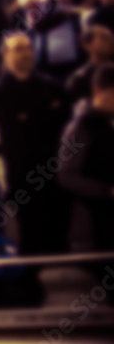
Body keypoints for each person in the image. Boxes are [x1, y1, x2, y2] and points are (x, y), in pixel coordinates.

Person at [0, 32, 71, 255]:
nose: (26, 53)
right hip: (22, 171)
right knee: (30, 230)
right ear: (5, 56)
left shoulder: (52, 85)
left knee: (58, 229)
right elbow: (13, 128)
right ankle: (33, 282)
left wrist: (28, 116)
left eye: (28, 48)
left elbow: (63, 123)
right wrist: (45, 113)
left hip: (54, 166)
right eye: (18, 49)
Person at [58, 64, 114, 292]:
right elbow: (67, 176)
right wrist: (107, 191)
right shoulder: (81, 128)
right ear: (100, 91)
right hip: (98, 224)